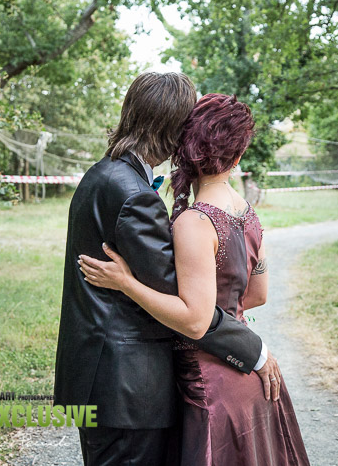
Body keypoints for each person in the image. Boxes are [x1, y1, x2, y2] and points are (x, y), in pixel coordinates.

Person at [54, 74, 282, 466]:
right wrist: (254, 350)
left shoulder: (103, 174)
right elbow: (188, 306)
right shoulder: (135, 197)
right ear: (173, 128)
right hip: (125, 389)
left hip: (100, 376)